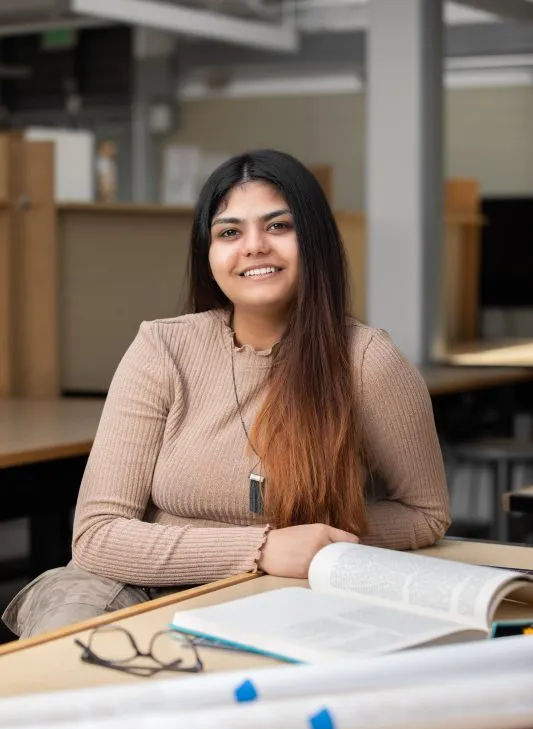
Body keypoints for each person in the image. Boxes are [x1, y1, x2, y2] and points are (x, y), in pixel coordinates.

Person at [3, 149, 450, 638]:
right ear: (209, 254)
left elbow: (425, 513)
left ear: (316, 240)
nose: (254, 246)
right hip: (133, 586)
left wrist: (325, 544)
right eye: (229, 232)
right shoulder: (163, 347)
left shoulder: (368, 361)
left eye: (279, 226)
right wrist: (262, 547)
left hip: (287, 591)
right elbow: (96, 536)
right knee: (62, 678)